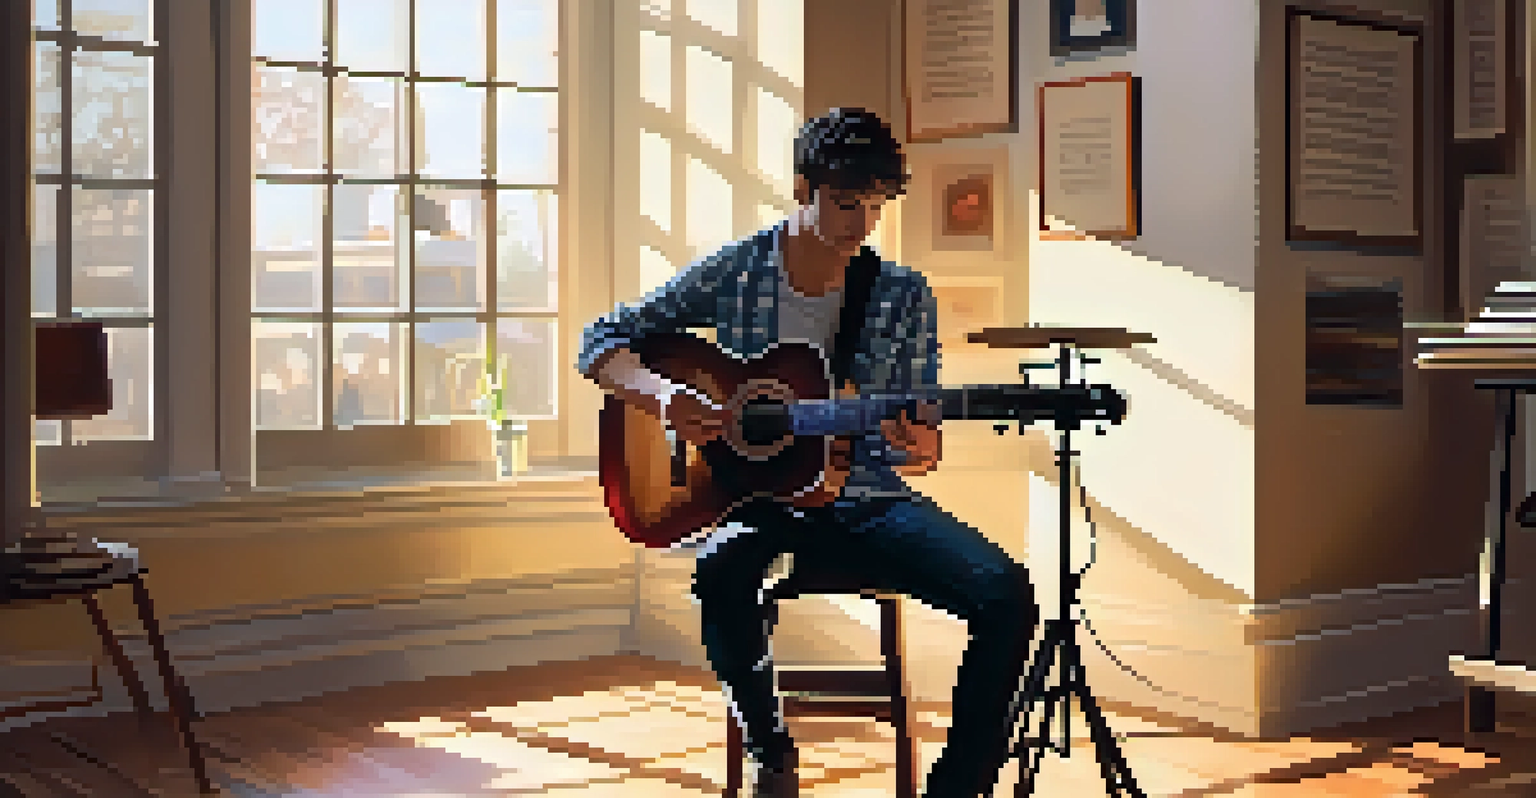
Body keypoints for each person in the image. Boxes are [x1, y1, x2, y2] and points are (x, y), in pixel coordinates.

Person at [576, 108, 1038, 797]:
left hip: (865, 501)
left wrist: (919, 445)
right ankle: (771, 751)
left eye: (876, 206)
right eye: (847, 204)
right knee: (720, 568)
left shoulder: (902, 294)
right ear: (803, 188)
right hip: (753, 500)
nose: (862, 224)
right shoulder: (737, 271)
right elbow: (601, 340)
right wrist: (667, 398)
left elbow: (920, 434)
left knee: (1007, 594)